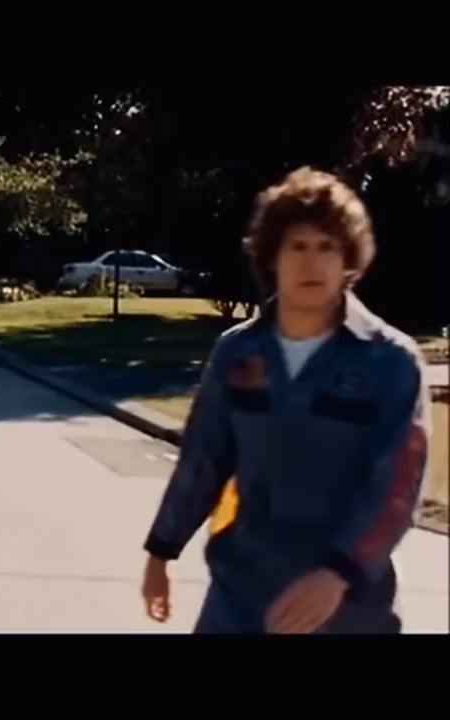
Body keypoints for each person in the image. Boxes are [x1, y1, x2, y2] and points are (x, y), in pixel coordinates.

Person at [139, 166, 433, 634]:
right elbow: (203, 460)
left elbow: (396, 489)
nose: (311, 262)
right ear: (272, 257)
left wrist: (338, 572)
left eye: (327, 246)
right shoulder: (239, 353)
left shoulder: (391, 362)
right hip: (240, 597)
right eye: (297, 246)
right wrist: (161, 551)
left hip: (347, 607)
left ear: (349, 260)